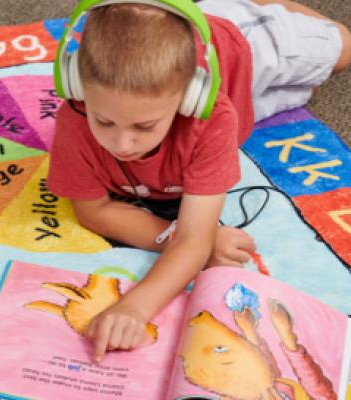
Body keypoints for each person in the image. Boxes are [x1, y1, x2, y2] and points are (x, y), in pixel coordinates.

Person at [47, 0, 351, 362]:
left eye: (144, 127)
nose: (122, 144)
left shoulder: (211, 117)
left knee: (343, 49)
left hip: (239, 40)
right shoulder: (74, 117)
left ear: (191, 98)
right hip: (230, 92)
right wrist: (182, 238)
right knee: (295, 94)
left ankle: (249, 6)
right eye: (105, 121)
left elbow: (195, 237)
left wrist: (136, 308)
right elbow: (93, 212)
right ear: (76, 85)